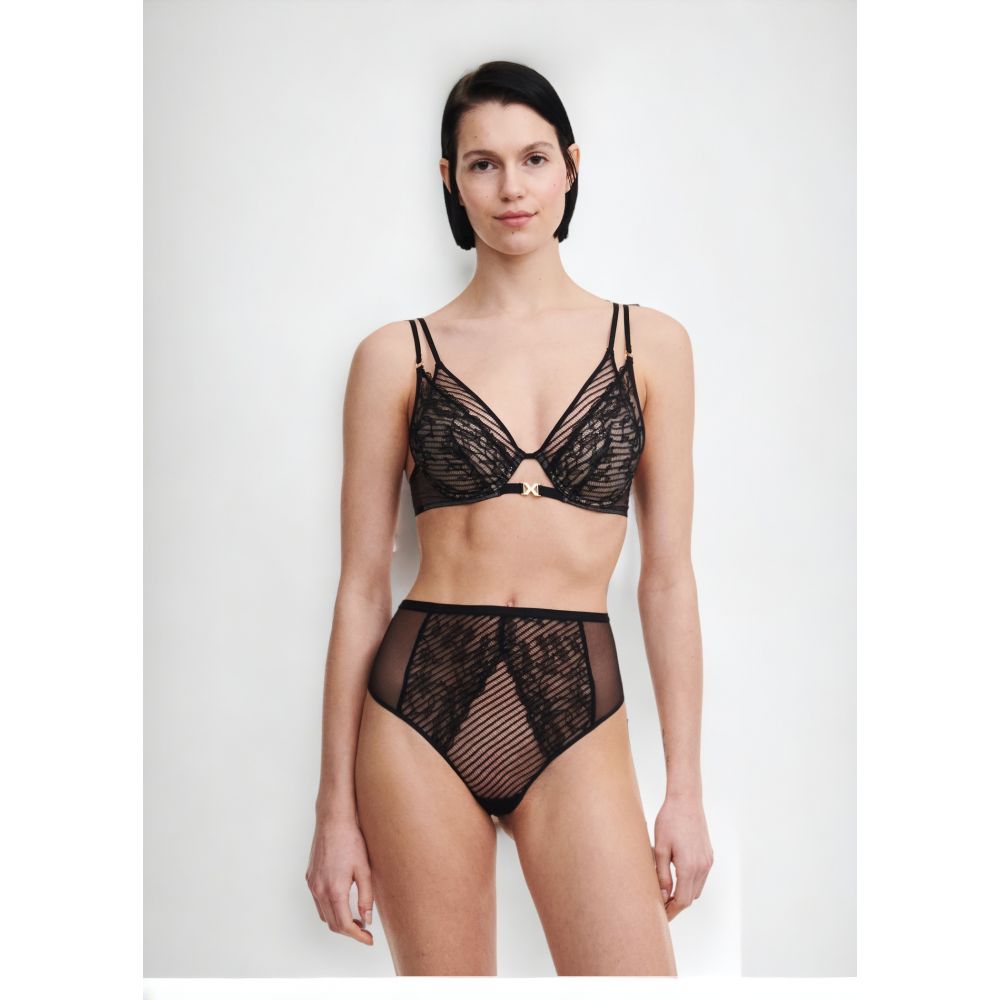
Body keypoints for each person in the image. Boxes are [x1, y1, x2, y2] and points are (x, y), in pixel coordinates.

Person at [305, 60, 712, 976]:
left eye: (533, 158)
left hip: (575, 702)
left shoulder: (652, 345)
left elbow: (667, 578)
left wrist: (684, 789)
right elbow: (362, 587)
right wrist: (334, 811)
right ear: (450, 180)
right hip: (419, 709)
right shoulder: (395, 357)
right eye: (482, 164)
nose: (512, 188)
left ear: (571, 166)